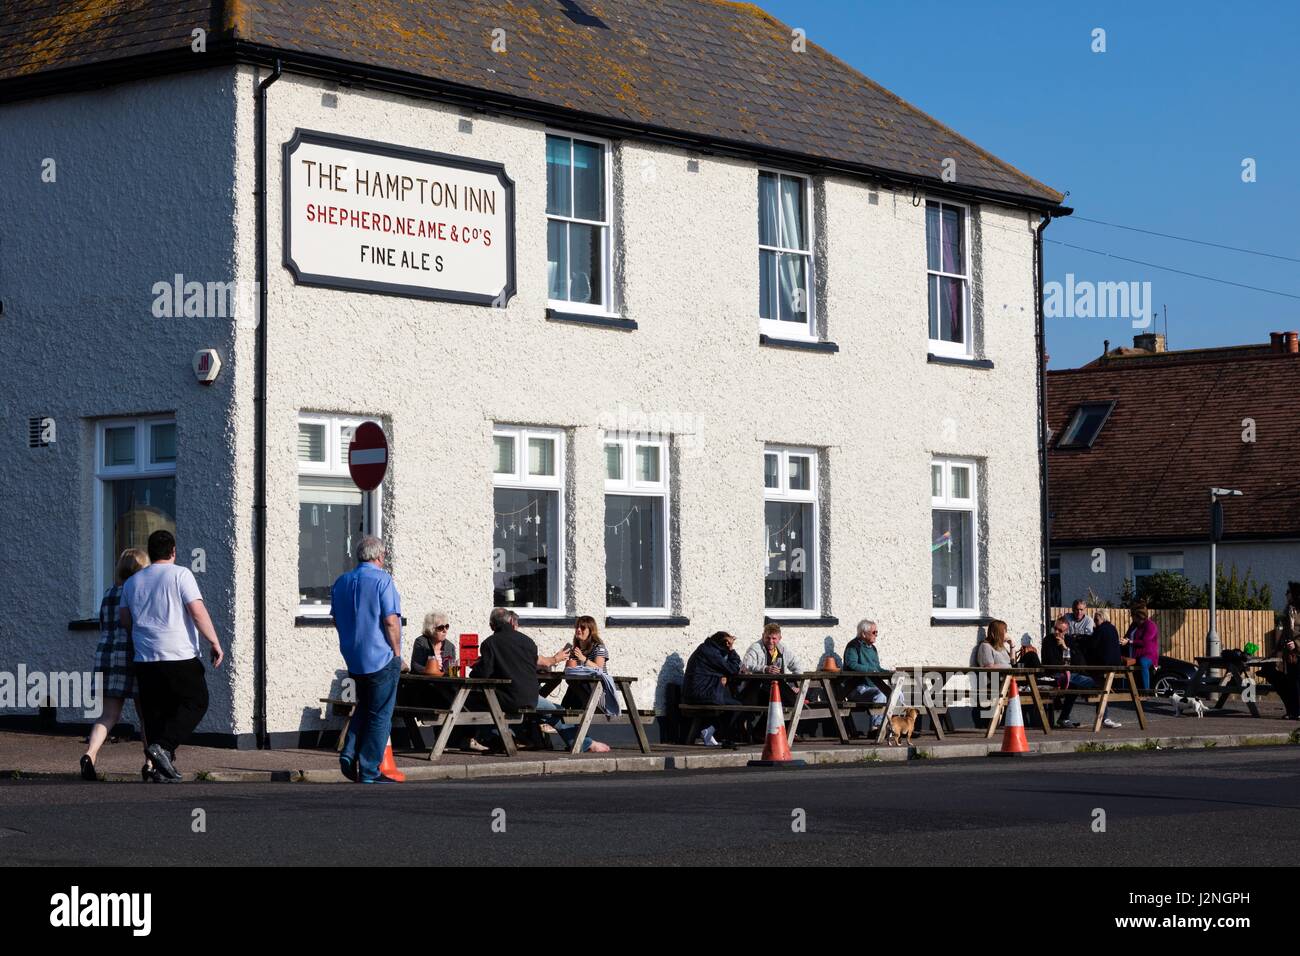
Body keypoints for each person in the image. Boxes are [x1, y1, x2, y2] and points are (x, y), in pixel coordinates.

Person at [119, 530, 224, 783]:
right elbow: (197, 611)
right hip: (178, 655)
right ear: (173, 551)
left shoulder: (133, 582)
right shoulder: (181, 574)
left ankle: (159, 769)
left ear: (151, 552)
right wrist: (214, 641)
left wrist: (141, 637)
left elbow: (125, 619)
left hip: (145, 658)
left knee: (155, 712)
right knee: (196, 701)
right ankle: (163, 747)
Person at [473, 608, 609, 753]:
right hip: (530, 697)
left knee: (474, 700)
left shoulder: (489, 643)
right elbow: (535, 663)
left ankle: (497, 738)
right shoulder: (527, 642)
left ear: (492, 625)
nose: (578, 630)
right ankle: (584, 743)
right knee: (557, 712)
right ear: (512, 622)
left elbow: (483, 675)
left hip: (505, 698)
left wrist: (476, 667)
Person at [331, 535, 405, 784]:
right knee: (381, 715)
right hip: (380, 657)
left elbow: (336, 619)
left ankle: (349, 754)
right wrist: (397, 653)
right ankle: (370, 770)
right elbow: (390, 621)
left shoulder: (341, 582)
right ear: (379, 556)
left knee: (365, 707)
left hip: (354, 658)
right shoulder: (383, 580)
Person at [81, 548, 150, 781]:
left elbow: (103, 622)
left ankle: (90, 754)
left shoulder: (109, 593)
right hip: (133, 654)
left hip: (106, 654)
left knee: (108, 715)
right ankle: (150, 761)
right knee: (145, 715)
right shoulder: (139, 593)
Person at [683, 631, 742, 747]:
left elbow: (724, 669)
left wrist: (723, 676)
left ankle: (709, 730)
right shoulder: (711, 653)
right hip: (700, 694)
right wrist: (731, 650)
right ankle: (720, 735)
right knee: (737, 706)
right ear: (725, 643)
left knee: (731, 701)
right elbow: (732, 669)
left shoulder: (706, 649)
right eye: (728, 644)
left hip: (697, 692)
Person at [738, 623, 803, 708]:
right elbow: (746, 666)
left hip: (777, 688)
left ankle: (795, 711)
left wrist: (796, 684)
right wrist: (765, 669)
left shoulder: (783, 649)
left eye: (774, 638)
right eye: (767, 638)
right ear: (762, 636)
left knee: (784, 690)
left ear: (780, 638)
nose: (770, 641)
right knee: (784, 694)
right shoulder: (755, 648)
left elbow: (797, 666)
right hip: (756, 688)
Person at [1260, 583, 1300, 719]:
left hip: (1298, 651)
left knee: (1297, 683)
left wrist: (1296, 643)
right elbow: (1286, 633)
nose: (1286, 595)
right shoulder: (1289, 610)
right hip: (1291, 655)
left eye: (1288, 592)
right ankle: (1293, 712)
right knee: (1291, 683)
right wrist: (1275, 650)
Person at [844, 618, 890, 732]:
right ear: (864, 634)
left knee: (898, 694)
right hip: (857, 688)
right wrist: (870, 670)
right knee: (881, 695)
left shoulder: (872, 648)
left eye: (877, 632)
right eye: (874, 632)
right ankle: (876, 727)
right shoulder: (853, 646)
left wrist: (890, 673)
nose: (876, 635)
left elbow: (877, 668)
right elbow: (851, 665)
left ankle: (899, 726)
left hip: (871, 687)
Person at [560, 615, 609, 710]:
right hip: (580, 689)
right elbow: (572, 671)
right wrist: (559, 659)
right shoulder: (576, 650)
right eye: (577, 627)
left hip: (596, 688)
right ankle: (560, 715)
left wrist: (583, 659)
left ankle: (559, 716)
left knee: (575, 685)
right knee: (573, 684)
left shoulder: (599, 647)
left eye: (582, 628)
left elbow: (599, 668)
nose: (578, 630)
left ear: (591, 631)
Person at [1121, 602, 1160, 690]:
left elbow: (1145, 642)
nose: (1131, 616)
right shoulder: (1133, 625)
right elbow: (1127, 636)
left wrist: (1129, 641)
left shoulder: (1150, 625)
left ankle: (1146, 691)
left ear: (1137, 615)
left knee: (1143, 663)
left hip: (1148, 655)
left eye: (1132, 615)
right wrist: (1123, 640)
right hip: (1133, 654)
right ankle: (1126, 690)